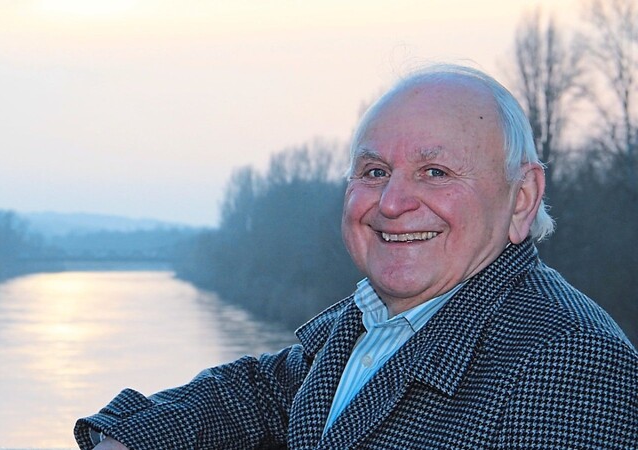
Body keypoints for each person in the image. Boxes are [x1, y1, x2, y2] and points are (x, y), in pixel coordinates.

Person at [74, 64, 638, 449]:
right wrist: (129, 437)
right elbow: (269, 392)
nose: (392, 203)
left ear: (521, 199)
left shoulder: (573, 364)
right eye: (374, 172)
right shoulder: (385, 319)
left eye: (435, 172)